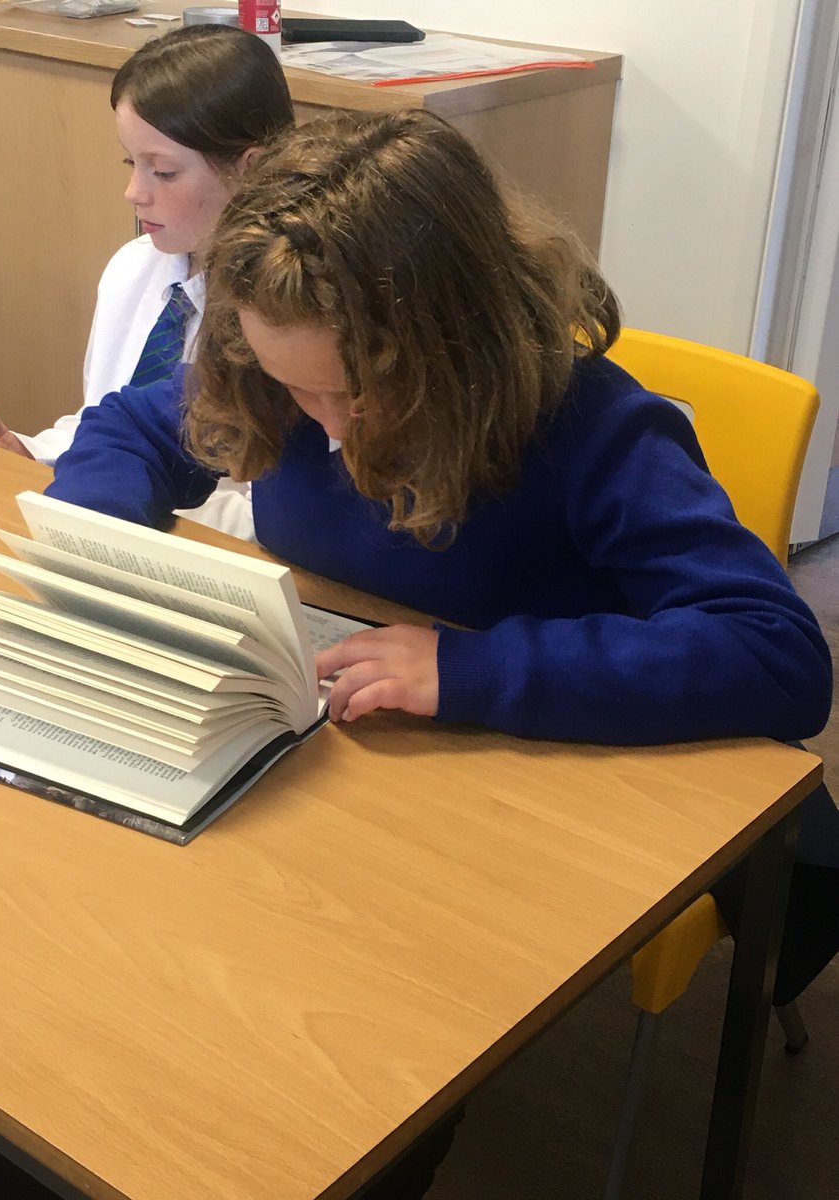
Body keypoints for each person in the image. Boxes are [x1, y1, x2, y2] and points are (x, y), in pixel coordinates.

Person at [41, 107, 836, 1190]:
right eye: (290, 387)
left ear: (457, 343)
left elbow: (778, 654)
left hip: (548, 792)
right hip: (355, 782)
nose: (322, 425)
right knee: (115, 1013)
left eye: (355, 392)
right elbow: (133, 430)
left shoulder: (588, 425)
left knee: (347, 1098)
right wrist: (98, 551)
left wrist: (468, 669)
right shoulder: (277, 370)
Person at [0, 22, 294, 538]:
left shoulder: (283, 312)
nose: (133, 192)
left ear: (250, 170)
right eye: (131, 163)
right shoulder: (134, 267)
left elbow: (272, 514)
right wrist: (34, 453)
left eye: (162, 172)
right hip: (120, 523)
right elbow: (103, 419)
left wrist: (117, 491)